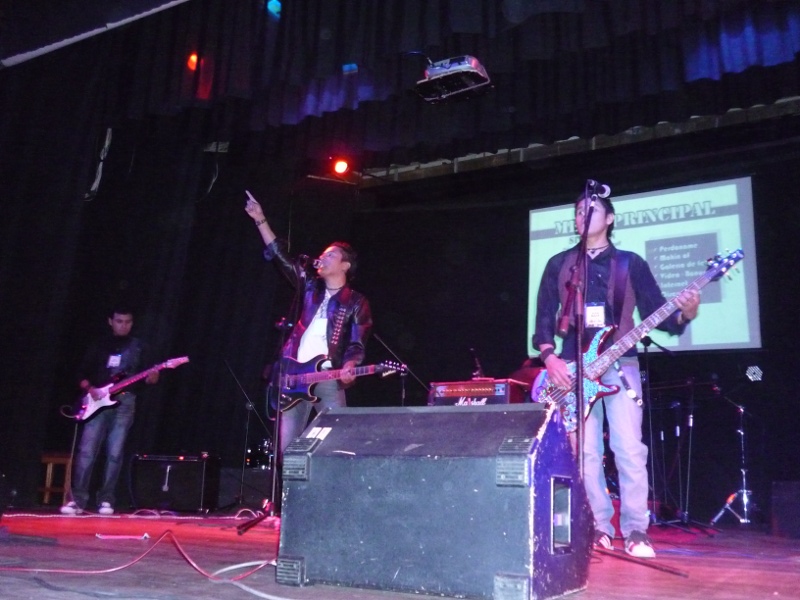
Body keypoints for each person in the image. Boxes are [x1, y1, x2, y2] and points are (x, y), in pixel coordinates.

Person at [532, 192, 700, 558]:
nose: (582, 215)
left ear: (609, 219)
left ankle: (637, 529)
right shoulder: (560, 264)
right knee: (586, 454)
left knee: (628, 448)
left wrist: (686, 312)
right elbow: (544, 314)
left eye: (590, 210)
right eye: (578, 211)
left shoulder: (629, 263)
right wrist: (549, 357)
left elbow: (660, 314)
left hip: (621, 365)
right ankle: (598, 527)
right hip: (572, 370)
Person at [245, 193, 372, 454]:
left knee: (337, 444)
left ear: (345, 265)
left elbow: (357, 343)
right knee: (287, 451)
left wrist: (350, 365)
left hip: (326, 376)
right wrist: (260, 219)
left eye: (330, 255)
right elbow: (281, 257)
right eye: (322, 254)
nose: (322, 258)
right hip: (292, 375)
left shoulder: (355, 301)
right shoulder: (310, 288)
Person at [61, 307, 159, 515]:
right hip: (97, 400)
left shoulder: (139, 347)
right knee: (86, 451)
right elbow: (80, 373)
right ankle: (77, 500)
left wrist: (153, 376)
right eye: (119, 321)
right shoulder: (99, 345)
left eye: (128, 322)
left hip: (125, 402)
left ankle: (106, 499)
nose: (123, 325)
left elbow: (150, 378)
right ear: (110, 322)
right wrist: (91, 389)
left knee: (115, 453)